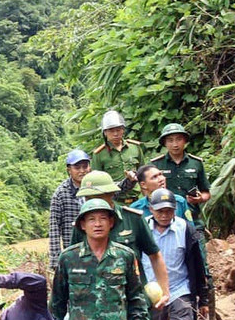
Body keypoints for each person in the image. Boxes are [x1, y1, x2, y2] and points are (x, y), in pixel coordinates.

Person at [141, 188, 210, 320]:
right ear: (151, 209)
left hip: (180, 289)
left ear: (174, 210)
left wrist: (204, 298)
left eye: (168, 210)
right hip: (153, 293)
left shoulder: (185, 228)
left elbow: (198, 263)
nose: (164, 215)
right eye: (160, 211)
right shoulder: (142, 229)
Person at [68, 170, 171, 304]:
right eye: (88, 198)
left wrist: (164, 292)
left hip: (133, 299)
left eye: (98, 197)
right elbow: (72, 263)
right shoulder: (82, 224)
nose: (93, 202)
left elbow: (154, 255)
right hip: (95, 302)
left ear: (111, 194)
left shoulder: (132, 219)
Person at [151, 123, 211, 232]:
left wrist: (200, 199)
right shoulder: (156, 165)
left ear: (185, 141)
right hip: (165, 221)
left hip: (192, 220)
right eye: (170, 140)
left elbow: (206, 192)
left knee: (199, 242)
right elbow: (149, 193)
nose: (175, 144)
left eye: (179, 139)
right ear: (164, 143)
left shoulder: (196, 163)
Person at [89, 110, 146, 203]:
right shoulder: (99, 154)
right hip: (114, 201)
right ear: (105, 132)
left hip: (136, 200)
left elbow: (143, 173)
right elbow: (97, 182)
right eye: (111, 131)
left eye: (118, 130)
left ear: (123, 130)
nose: (115, 134)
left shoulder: (135, 147)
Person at [48, 149, 90, 269]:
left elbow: (117, 190)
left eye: (85, 166)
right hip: (73, 250)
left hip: (99, 248)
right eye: (77, 167)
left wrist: (130, 180)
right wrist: (56, 261)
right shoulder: (60, 194)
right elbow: (54, 228)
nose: (82, 171)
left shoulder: (97, 186)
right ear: (69, 170)